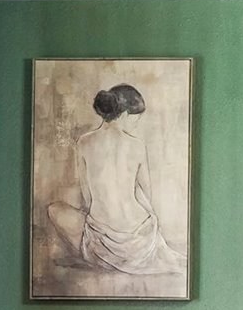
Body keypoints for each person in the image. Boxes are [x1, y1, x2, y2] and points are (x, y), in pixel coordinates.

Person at [47, 83, 185, 276]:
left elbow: (88, 198)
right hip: (142, 241)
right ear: (126, 114)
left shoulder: (84, 143)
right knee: (135, 197)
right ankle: (130, 250)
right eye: (136, 119)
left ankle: (107, 257)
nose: (136, 124)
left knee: (54, 209)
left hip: (101, 243)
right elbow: (147, 193)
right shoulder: (137, 145)